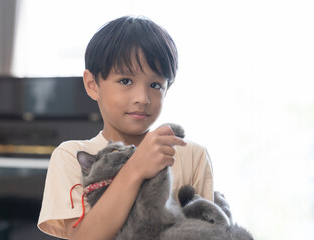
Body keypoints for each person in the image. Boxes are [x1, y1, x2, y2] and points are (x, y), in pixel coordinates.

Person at [38, 16, 213, 240]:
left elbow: (209, 231)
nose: (142, 98)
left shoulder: (192, 154)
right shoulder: (70, 156)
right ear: (93, 85)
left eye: (155, 85)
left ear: (166, 90)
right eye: (125, 81)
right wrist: (135, 169)